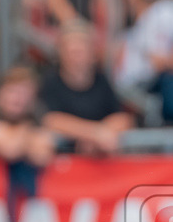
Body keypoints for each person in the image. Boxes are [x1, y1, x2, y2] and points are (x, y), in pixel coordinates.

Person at [38, 22, 134, 154]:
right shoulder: (50, 82)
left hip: (97, 160)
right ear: (60, 52)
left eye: (82, 48)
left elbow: (122, 118)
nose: (77, 54)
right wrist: (94, 134)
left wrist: (98, 137)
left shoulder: (101, 81)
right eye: (71, 49)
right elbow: (50, 120)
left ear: (93, 53)